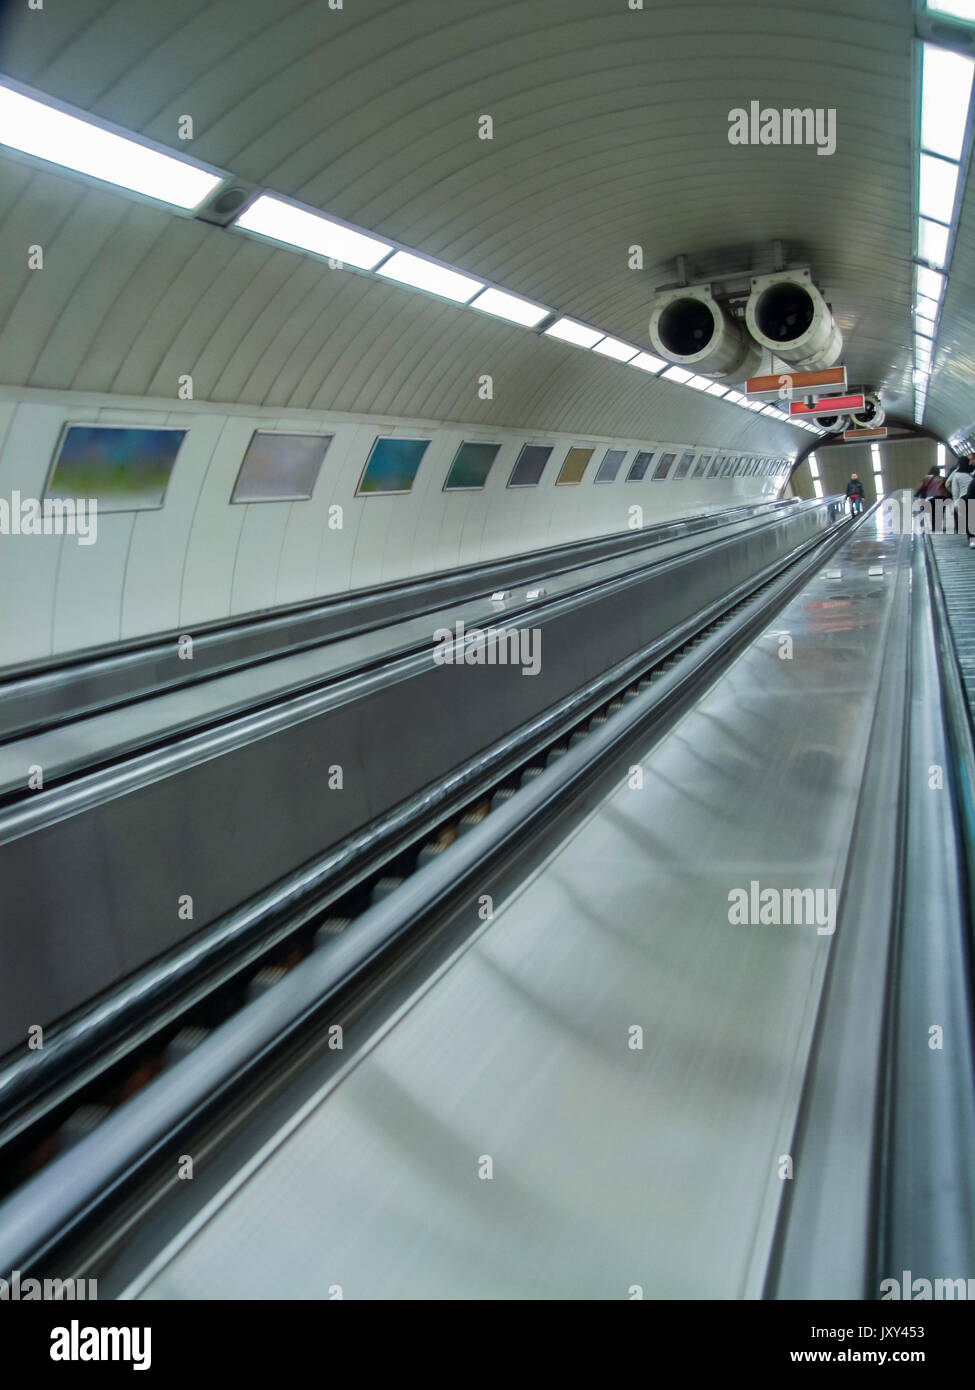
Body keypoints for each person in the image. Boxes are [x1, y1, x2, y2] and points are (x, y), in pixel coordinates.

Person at [915, 465, 951, 533]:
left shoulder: (927, 477)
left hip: (931, 498)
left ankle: (934, 528)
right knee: (940, 513)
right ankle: (937, 527)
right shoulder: (943, 479)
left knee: (932, 513)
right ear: (938, 472)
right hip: (942, 497)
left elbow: (921, 487)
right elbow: (947, 488)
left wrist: (917, 494)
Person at [949, 456, 975, 548]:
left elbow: (955, 492)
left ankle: (971, 540)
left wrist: (955, 503)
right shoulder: (972, 474)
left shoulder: (956, 475)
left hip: (964, 498)